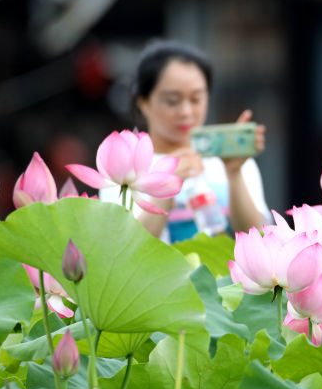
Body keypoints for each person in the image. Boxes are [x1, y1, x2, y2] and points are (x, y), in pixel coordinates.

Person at [102, 39, 271, 243]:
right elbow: (123, 249)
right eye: (172, 101)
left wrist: (234, 173)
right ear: (144, 103)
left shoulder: (234, 162)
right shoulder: (121, 170)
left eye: (196, 99)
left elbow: (257, 240)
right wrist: (165, 190)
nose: (186, 112)